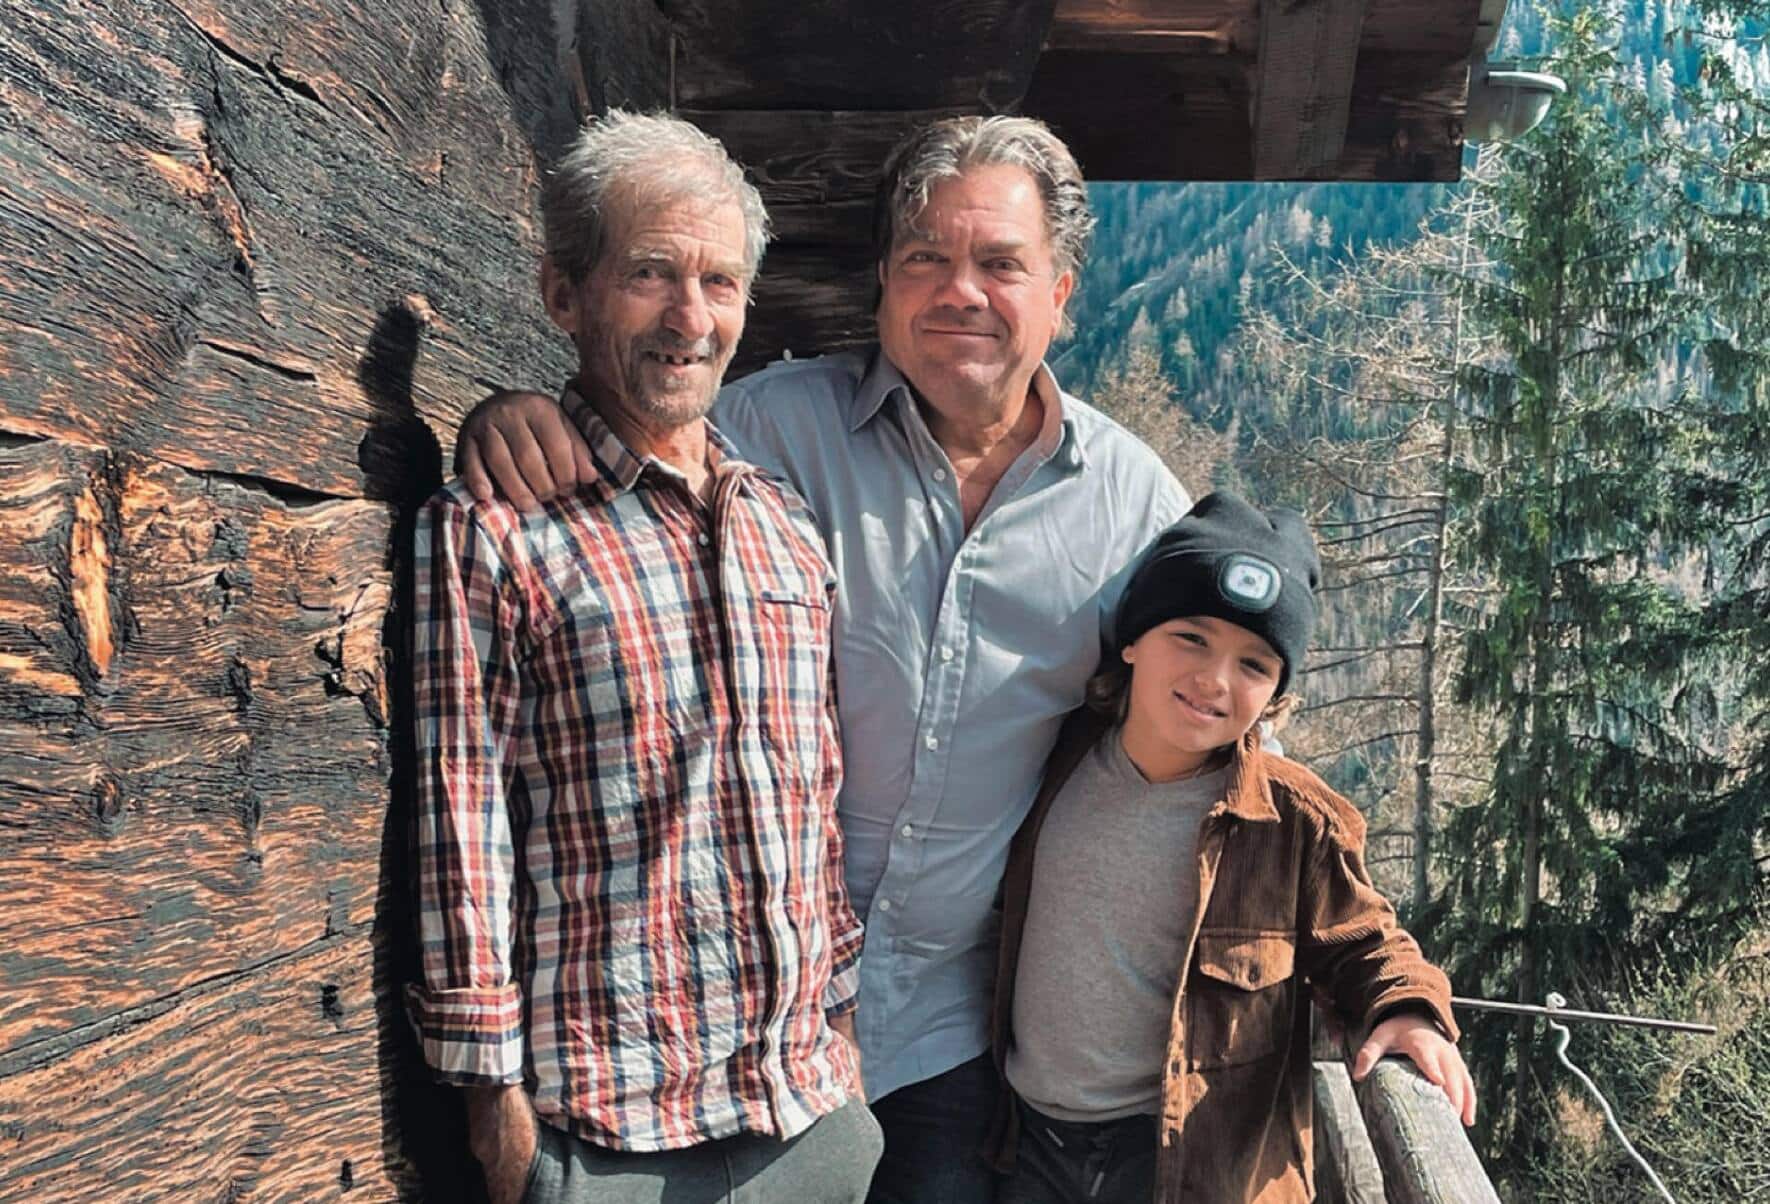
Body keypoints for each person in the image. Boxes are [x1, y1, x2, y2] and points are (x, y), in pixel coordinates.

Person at [454, 115, 1190, 1202]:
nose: (960, 291)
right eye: (925, 259)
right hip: (730, 1036)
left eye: (1000, 263)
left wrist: (1384, 984)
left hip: (948, 1034)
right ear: (883, 284)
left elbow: (1231, 744)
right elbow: (627, 431)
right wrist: (507, 411)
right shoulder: (766, 429)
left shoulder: (1135, 510)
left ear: (1062, 294)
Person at [405, 111, 881, 1204]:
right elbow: (461, 819)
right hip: (607, 1134)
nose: (690, 316)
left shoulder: (783, 528)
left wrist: (843, 1022)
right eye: (651, 273)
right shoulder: (495, 527)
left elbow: (814, 795)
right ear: (564, 294)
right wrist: (498, 1120)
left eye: (719, 281)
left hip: (806, 1114)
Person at [986, 492, 1475, 1204]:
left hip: (1181, 1161)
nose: (1214, 680)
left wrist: (1407, 1010)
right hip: (1027, 1141)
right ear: (1132, 639)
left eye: (1253, 664)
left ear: (1276, 692)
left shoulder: (1294, 822)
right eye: (1190, 637)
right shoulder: (1051, 759)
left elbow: (1367, 942)